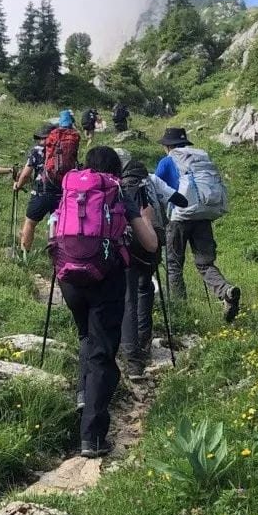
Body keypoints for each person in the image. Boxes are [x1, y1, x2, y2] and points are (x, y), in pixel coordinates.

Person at [52, 149, 158, 457]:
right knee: (102, 354)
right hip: (104, 278)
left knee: (86, 336)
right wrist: (146, 220)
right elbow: (150, 243)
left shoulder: (71, 189)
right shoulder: (117, 192)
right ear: (115, 169)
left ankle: (84, 394)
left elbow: (54, 230)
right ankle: (92, 437)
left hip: (69, 276)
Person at [154, 126, 241, 322]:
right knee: (205, 263)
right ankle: (225, 291)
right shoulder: (200, 158)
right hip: (203, 216)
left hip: (179, 218)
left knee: (174, 265)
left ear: (168, 146)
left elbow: (155, 188)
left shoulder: (168, 161)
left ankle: (180, 310)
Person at [117, 152, 187, 377]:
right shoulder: (152, 180)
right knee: (145, 287)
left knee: (128, 295)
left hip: (125, 239)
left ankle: (131, 356)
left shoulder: (118, 184)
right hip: (152, 240)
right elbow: (180, 199)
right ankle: (144, 341)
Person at [14, 123, 58, 256]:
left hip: (41, 192)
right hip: (61, 193)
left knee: (30, 222)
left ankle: (24, 254)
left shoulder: (37, 150)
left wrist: (18, 185)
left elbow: (27, 173)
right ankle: (57, 254)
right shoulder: (63, 149)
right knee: (56, 221)